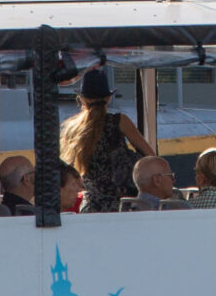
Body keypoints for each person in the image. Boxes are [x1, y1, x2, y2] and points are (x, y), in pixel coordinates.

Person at [60, 67, 153, 212]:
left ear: (82, 99)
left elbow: (71, 172)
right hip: (123, 207)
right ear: (108, 98)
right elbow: (151, 156)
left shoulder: (72, 129)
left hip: (92, 208)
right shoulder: (120, 121)